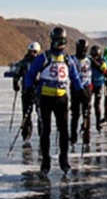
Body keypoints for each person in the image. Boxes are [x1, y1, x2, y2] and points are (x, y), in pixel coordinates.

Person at [24, 27, 84, 175]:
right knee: (46, 131)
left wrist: (81, 91)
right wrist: (29, 88)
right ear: (52, 41)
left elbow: (75, 77)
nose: (60, 45)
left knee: (64, 131)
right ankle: (45, 162)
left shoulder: (68, 60)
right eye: (57, 41)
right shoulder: (44, 57)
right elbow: (31, 74)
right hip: (45, 98)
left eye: (62, 42)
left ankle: (64, 159)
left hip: (62, 99)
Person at [12, 42, 42, 147]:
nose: (32, 54)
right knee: (26, 115)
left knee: (41, 115)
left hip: (39, 93)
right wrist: (15, 83)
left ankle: (42, 136)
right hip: (27, 92)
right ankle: (26, 136)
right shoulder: (24, 62)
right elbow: (17, 73)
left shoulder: (41, 62)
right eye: (30, 51)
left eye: (34, 52)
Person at [70, 39, 93, 147]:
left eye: (84, 50)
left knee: (86, 112)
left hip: (87, 88)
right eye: (80, 49)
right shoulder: (72, 59)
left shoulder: (90, 60)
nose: (82, 52)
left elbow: (103, 69)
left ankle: (86, 135)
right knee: (75, 114)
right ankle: (73, 136)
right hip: (75, 89)